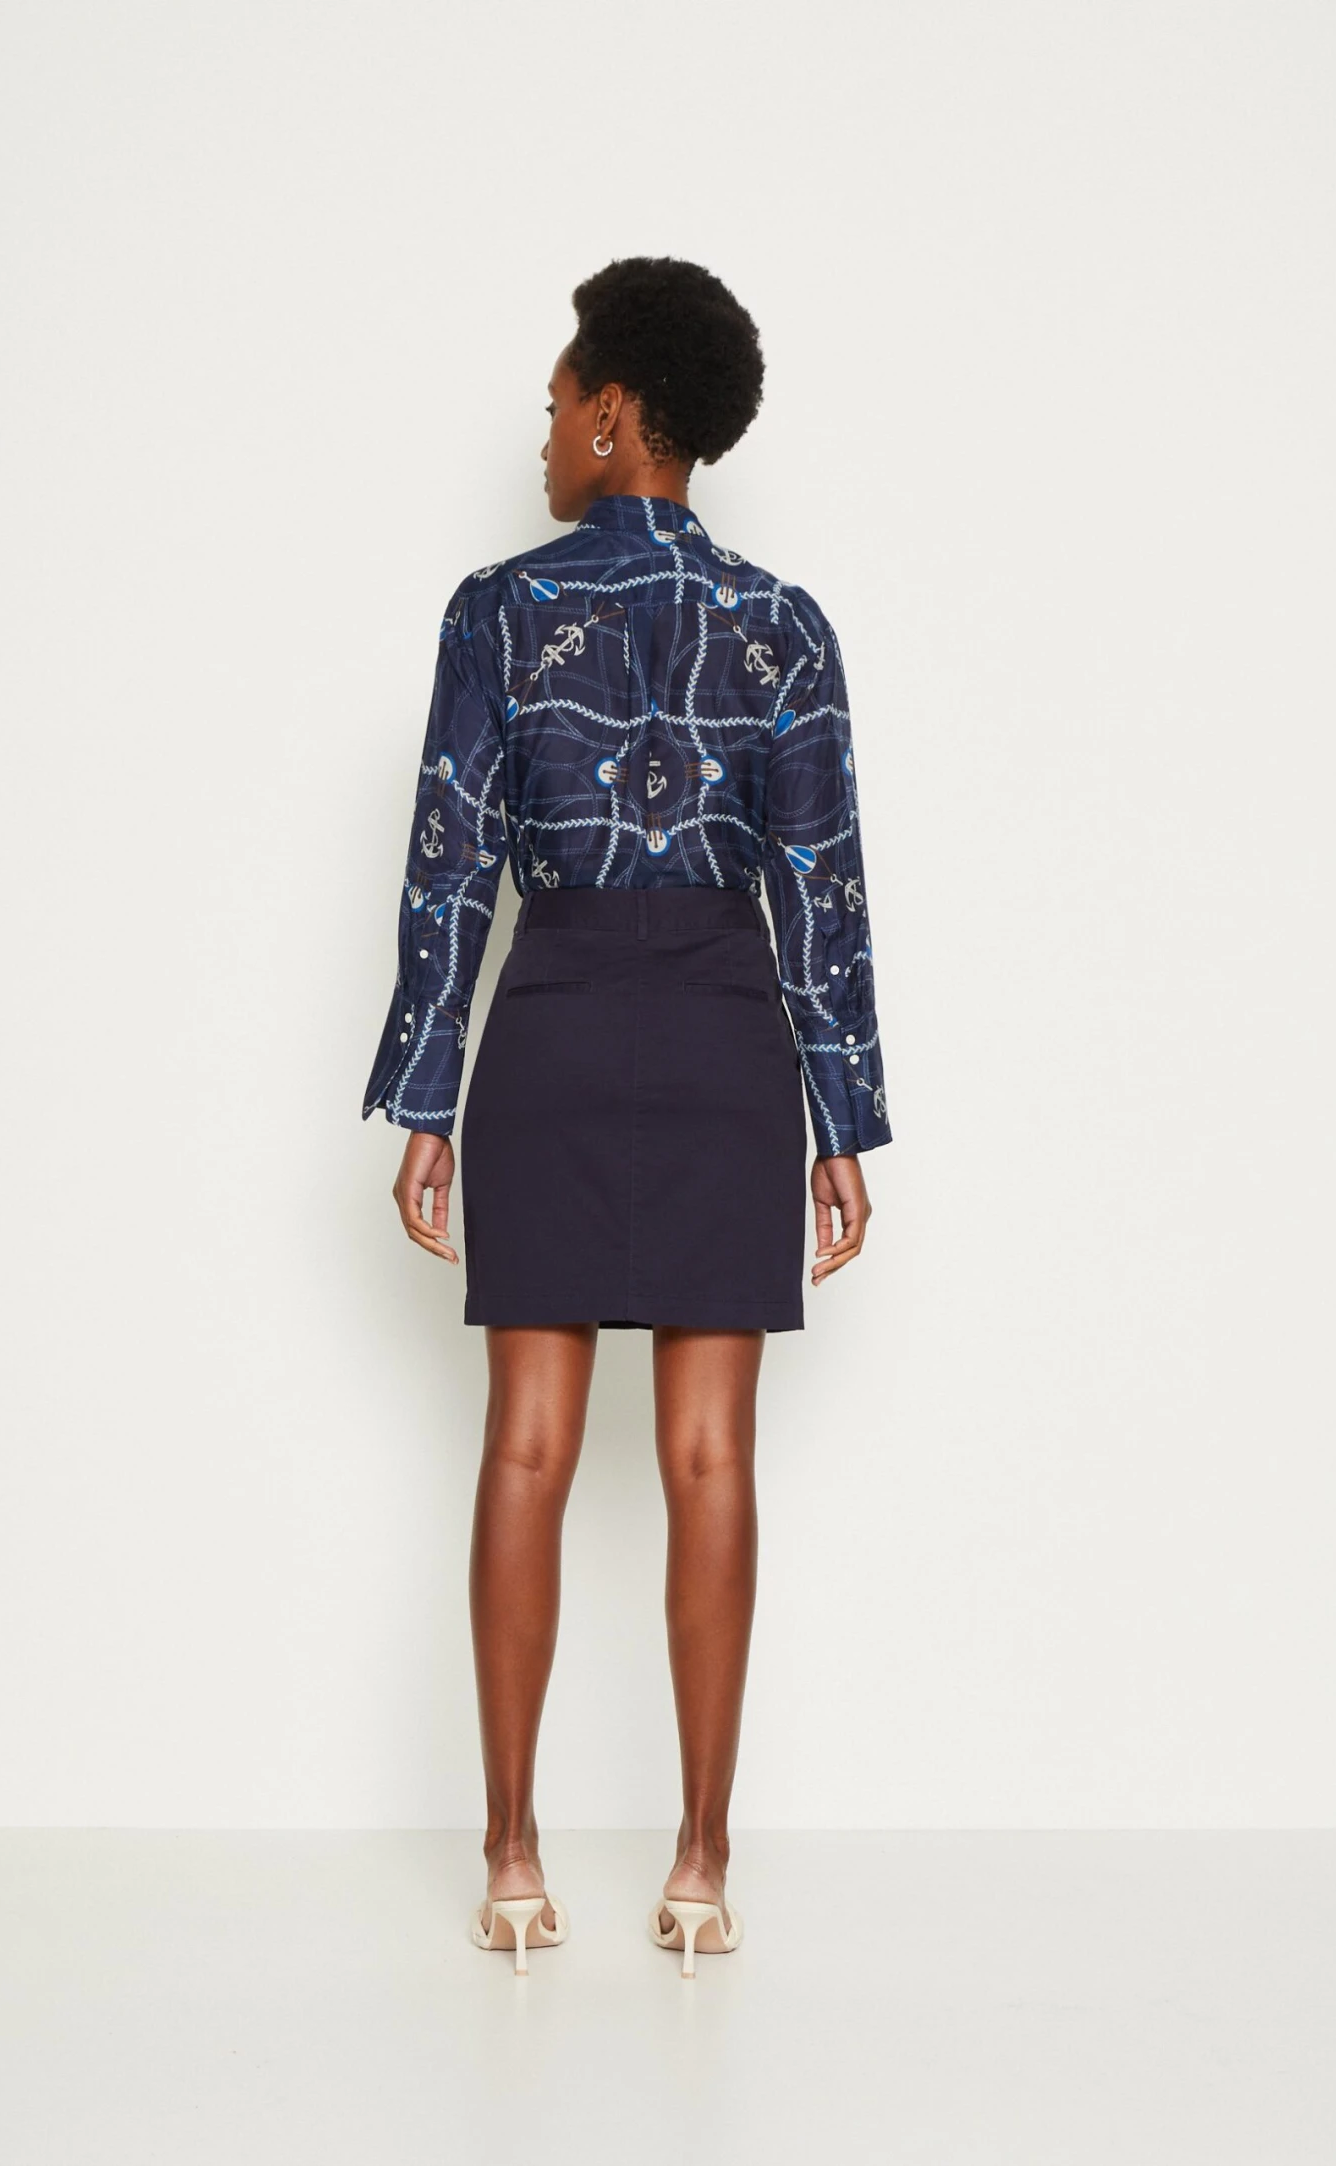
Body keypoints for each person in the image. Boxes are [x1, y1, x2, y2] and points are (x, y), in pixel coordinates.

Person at [361, 256, 893, 1979]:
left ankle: (513, 1862)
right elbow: (820, 888)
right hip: (733, 1038)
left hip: (558, 1026)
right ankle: (702, 1867)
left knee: (524, 1442)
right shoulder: (786, 625)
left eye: (552, 405)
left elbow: (450, 864)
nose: (539, 437)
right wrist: (840, 1113)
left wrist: (427, 1094)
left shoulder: (496, 613)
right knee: (714, 1455)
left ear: (611, 414)